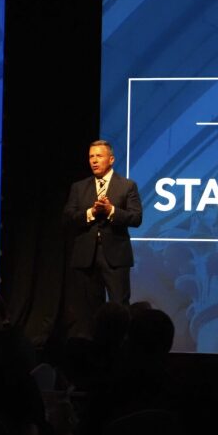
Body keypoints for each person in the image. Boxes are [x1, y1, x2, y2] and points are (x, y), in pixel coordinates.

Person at [63, 140, 142, 332]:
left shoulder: (127, 186)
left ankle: (122, 348)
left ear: (111, 159)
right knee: (87, 310)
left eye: (99, 156)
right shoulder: (79, 187)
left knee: (120, 306)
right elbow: (68, 217)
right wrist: (91, 212)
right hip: (86, 257)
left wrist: (111, 211)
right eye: (91, 156)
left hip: (115, 256)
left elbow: (136, 218)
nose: (94, 161)